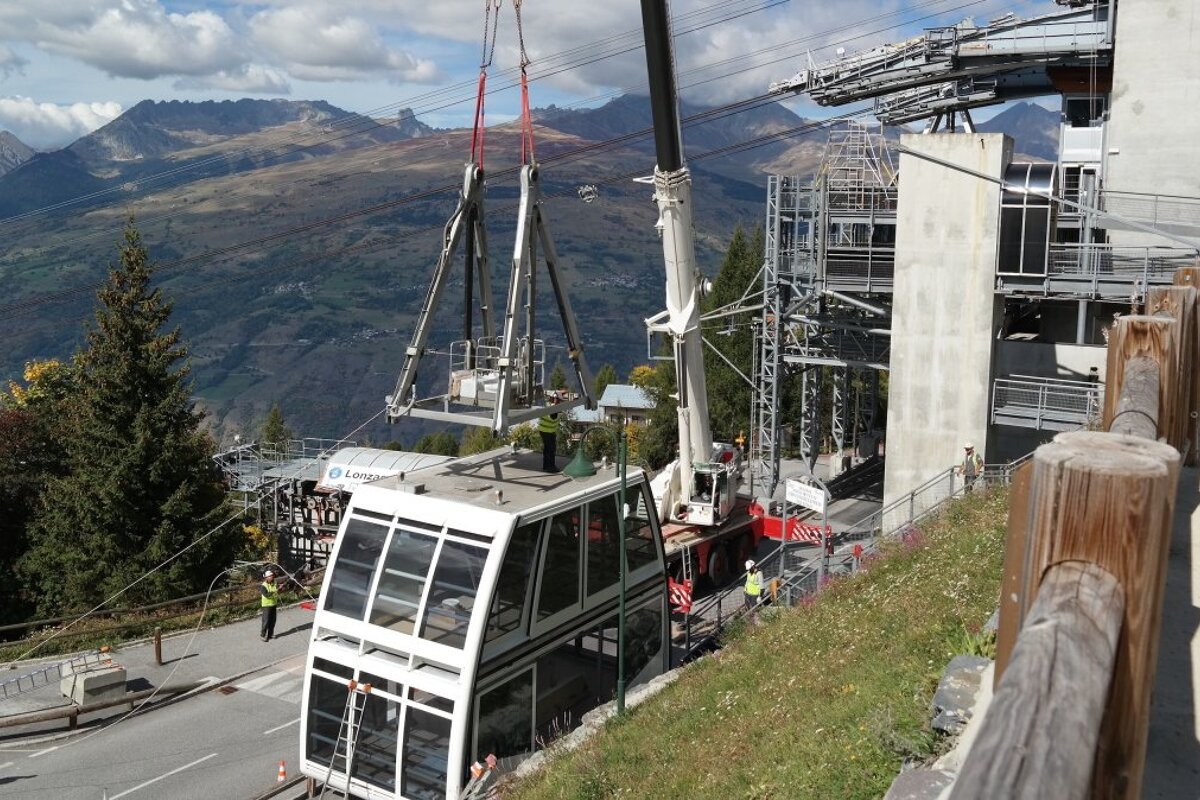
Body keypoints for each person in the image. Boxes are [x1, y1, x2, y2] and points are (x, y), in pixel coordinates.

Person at [538, 398, 561, 473]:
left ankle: (547, 466)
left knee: (548, 449)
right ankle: (550, 467)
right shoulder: (552, 410)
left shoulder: (552, 410)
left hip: (547, 431)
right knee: (550, 449)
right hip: (546, 431)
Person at [260, 570, 279, 642]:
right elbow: (267, 595)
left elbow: (277, 591)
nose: (272, 577)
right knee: (266, 621)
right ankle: (263, 635)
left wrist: (280, 589)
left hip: (274, 604)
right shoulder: (263, 586)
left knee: (273, 620)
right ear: (266, 578)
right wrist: (275, 591)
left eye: (272, 576)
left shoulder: (275, 583)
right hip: (266, 605)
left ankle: (270, 634)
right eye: (270, 576)